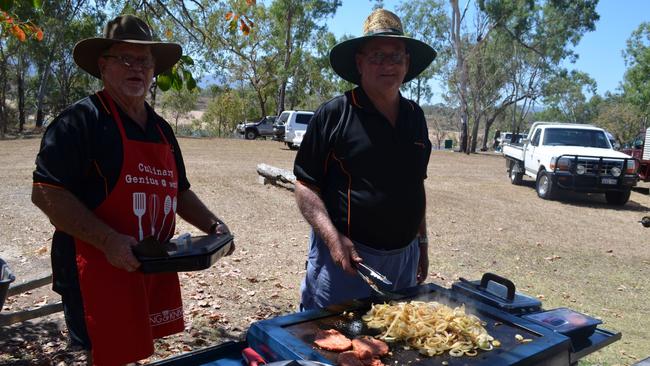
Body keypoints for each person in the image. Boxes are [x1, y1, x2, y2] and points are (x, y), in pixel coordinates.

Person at [31, 15, 233, 365]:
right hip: (95, 269)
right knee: (105, 355)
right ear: (103, 65)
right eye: (126, 58)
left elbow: (179, 193)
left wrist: (214, 227)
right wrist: (109, 241)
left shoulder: (161, 129)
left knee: (133, 351)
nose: (137, 68)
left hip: (150, 264)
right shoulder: (80, 122)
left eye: (145, 61)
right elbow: (46, 192)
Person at [294, 9, 436, 310]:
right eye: (376, 56)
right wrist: (334, 240)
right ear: (359, 62)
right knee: (328, 347)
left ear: (407, 63)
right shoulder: (335, 114)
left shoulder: (416, 117)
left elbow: (416, 185)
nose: (387, 64)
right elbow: (305, 186)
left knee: (395, 347)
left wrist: (421, 243)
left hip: (405, 259)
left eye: (396, 56)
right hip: (347, 262)